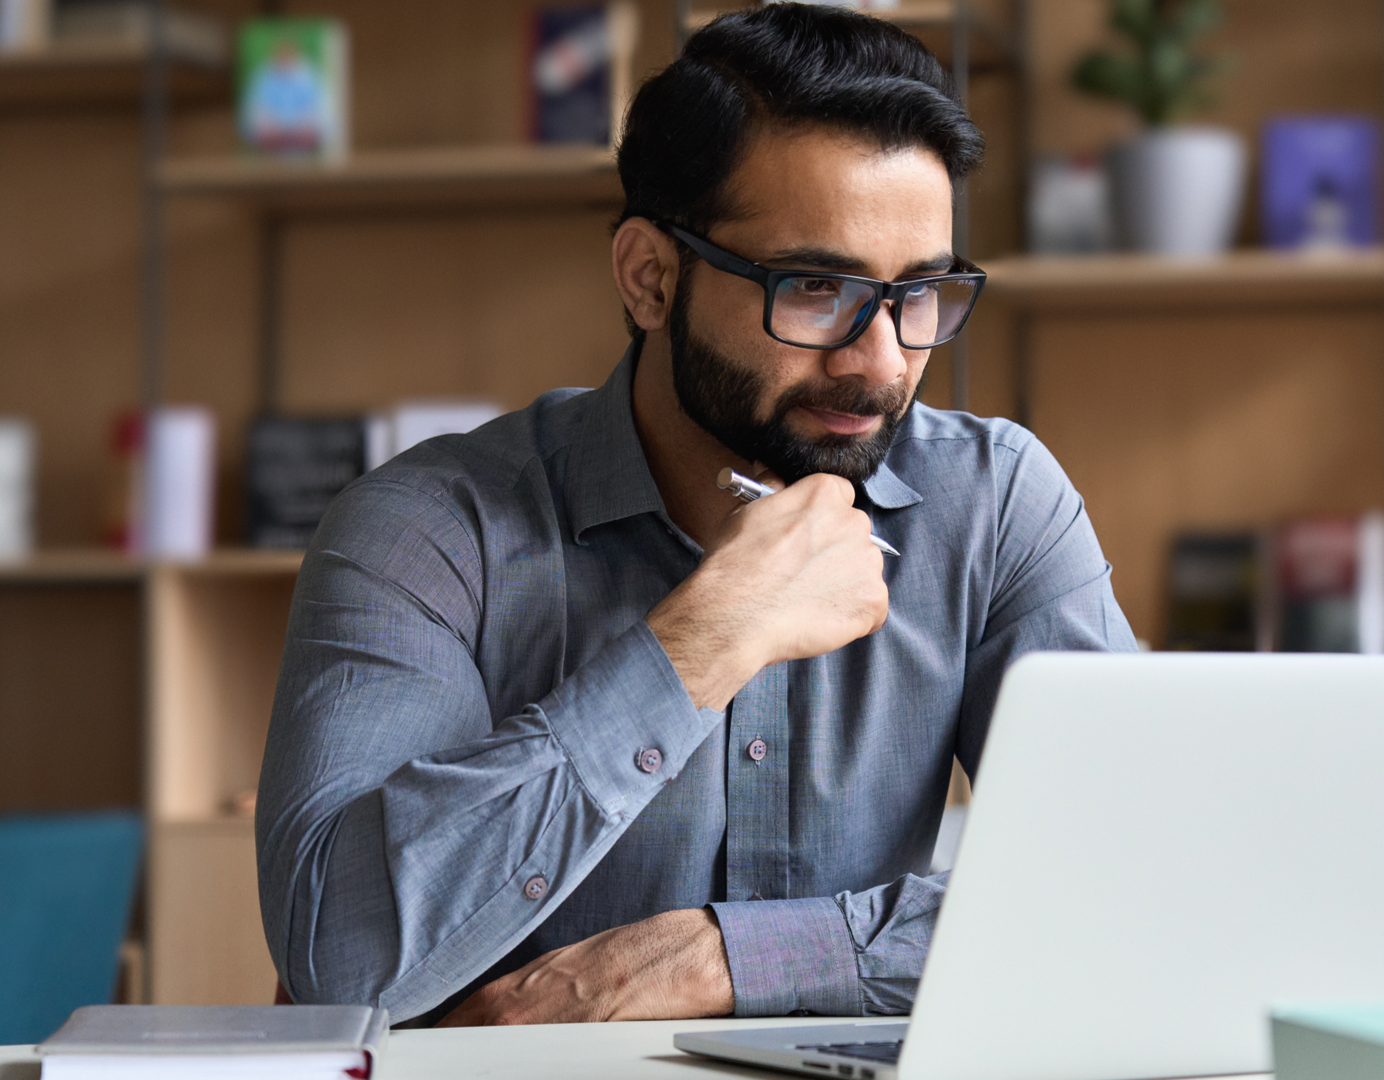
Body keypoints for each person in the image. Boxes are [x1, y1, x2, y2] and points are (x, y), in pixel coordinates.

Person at [256, 3, 1137, 1028]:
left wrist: (718, 959)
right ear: (649, 277)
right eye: (815, 287)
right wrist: (702, 641)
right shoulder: (425, 531)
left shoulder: (994, 504)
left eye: (921, 295)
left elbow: (1138, 883)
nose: (885, 362)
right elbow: (340, 961)